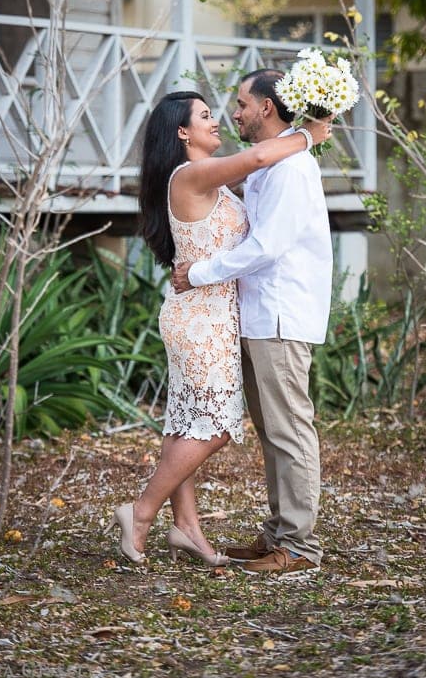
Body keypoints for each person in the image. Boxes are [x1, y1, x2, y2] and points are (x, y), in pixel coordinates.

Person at [105, 90, 331, 567]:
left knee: (187, 422)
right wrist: (308, 135)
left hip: (209, 313)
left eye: (227, 108)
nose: (220, 119)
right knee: (215, 428)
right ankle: (141, 512)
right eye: (205, 115)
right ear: (182, 132)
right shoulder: (193, 173)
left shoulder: (208, 180)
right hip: (200, 316)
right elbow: (261, 154)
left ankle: (186, 527)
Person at [172, 70, 333, 575]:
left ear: (266, 107)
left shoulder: (291, 167)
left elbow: (266, 248)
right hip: (262, 313)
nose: (234, 112)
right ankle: (280, 534)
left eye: (242, 103)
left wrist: (197, 273)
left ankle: (300, 548)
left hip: (282, 314)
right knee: (273, 431)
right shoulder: (272, 163)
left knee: (289, 430)